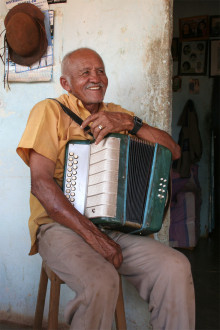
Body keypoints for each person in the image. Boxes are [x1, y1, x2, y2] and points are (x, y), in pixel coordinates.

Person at [17, 48, 195, 330]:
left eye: (100, 71)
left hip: (114, 227)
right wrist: (94, 237)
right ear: (66, 83)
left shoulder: (118, 115)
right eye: (85, 72)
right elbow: (41, 184)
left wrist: (129, 123)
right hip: (60, 227)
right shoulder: (49, 111)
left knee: (175, 267)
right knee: (101, 280)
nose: (95, 78)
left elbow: (173, 151)